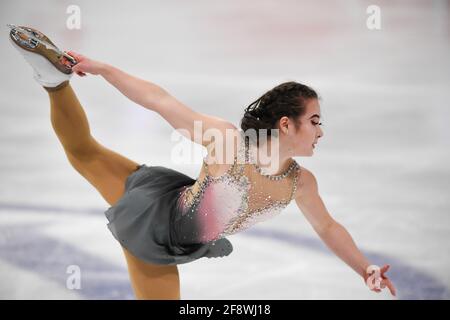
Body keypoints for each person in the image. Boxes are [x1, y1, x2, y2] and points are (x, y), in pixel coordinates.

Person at [8, 25, 396, 300]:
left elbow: (327, 227)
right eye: (314, 121)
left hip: (176, 218)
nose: (320, 132)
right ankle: (53, 80)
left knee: (84, 153)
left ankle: (52, 83)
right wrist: (104, 68)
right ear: (285, 124)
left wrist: (364, 269)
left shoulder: (301, 182)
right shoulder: (227, 143)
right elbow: (160, 101)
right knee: (84, 152)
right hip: (155, 228)